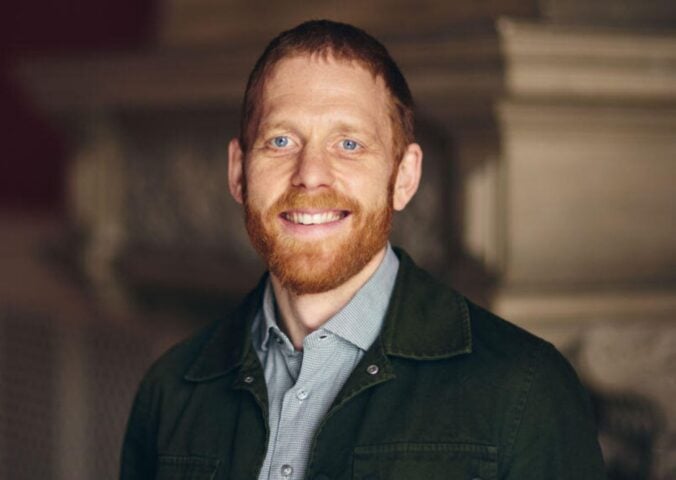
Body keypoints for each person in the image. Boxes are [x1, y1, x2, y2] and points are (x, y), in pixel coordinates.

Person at [120, 20, 606, 480]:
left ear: (405, 177)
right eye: (281, 140)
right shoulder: (171, 388)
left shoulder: (525, 389)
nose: (311, 173)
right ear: (238, 172)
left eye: (349, 144)